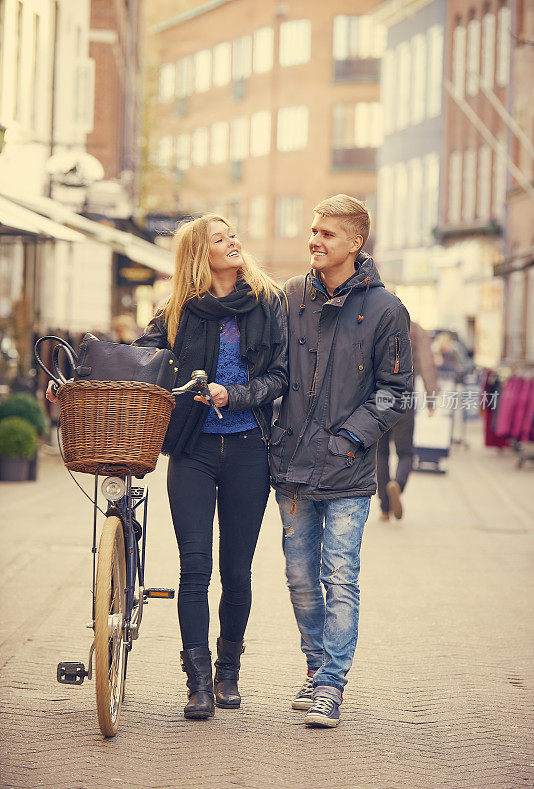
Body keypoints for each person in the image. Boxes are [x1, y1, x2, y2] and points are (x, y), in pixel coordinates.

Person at [48, 214, 288, 721]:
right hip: (193, 450)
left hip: (250, 448)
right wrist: (76, 383)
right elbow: (136, 363)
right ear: (201, 253)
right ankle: (197, 682)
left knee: (237, 572)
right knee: (195, 569)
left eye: (234, 235)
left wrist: (237, 394)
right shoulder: (176, 312)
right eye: (221, 239)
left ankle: (228, 673)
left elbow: (279, 376)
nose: (234, 242)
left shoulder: (268, 304)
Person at [269, 195, 412, 728]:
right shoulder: (289, 298)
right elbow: (274, 371)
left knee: (340, 576)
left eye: (327, 234)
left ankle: (331, 685)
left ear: (355, 243)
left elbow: (396, 392)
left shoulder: (386, 310)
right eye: (313, 230)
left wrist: (349, 439)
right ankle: (314, 669)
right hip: (291, 468)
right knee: (300, 578)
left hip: (348, 468)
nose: (315, 240)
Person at [377, 320, 439, 521]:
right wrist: (431, 399)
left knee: (381, 454)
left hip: (378, 398)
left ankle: (385, 508)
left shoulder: (372, 322)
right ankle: (398, 484)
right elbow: (427, 364)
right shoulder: (414, 328)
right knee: (405, 453)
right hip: (404, 395)